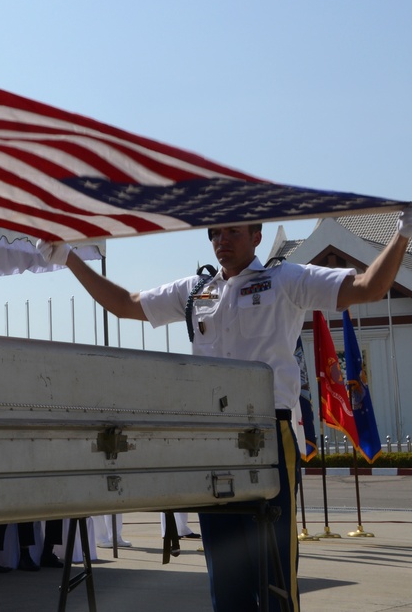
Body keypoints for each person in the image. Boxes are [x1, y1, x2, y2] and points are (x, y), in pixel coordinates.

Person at [41, 211, 412, 612]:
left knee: (274, 572)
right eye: (214, 233)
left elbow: (369, 287)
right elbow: (124, 304)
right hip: (213, 442)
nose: (222, 240)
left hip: (270, 434)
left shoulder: (286, 279)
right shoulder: (196, 290)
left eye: (232, 231)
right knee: (224, 572)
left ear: (257, 235)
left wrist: (403, 235)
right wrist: (69, 259)